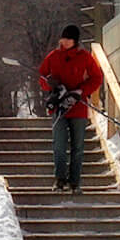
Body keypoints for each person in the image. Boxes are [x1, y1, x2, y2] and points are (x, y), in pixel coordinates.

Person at [38, 24, 104, 193]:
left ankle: (75, 182)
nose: (65, 42)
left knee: (78, 146)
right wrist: (50, 84)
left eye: (68, 39)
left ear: (75, 41)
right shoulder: (53, 56)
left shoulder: (85, 57)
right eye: (63, 39)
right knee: (59, 145)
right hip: (58, 108)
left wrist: (80, 91)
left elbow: (97, 78)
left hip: (78, 108)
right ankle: (60, 180)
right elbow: (42, 77)